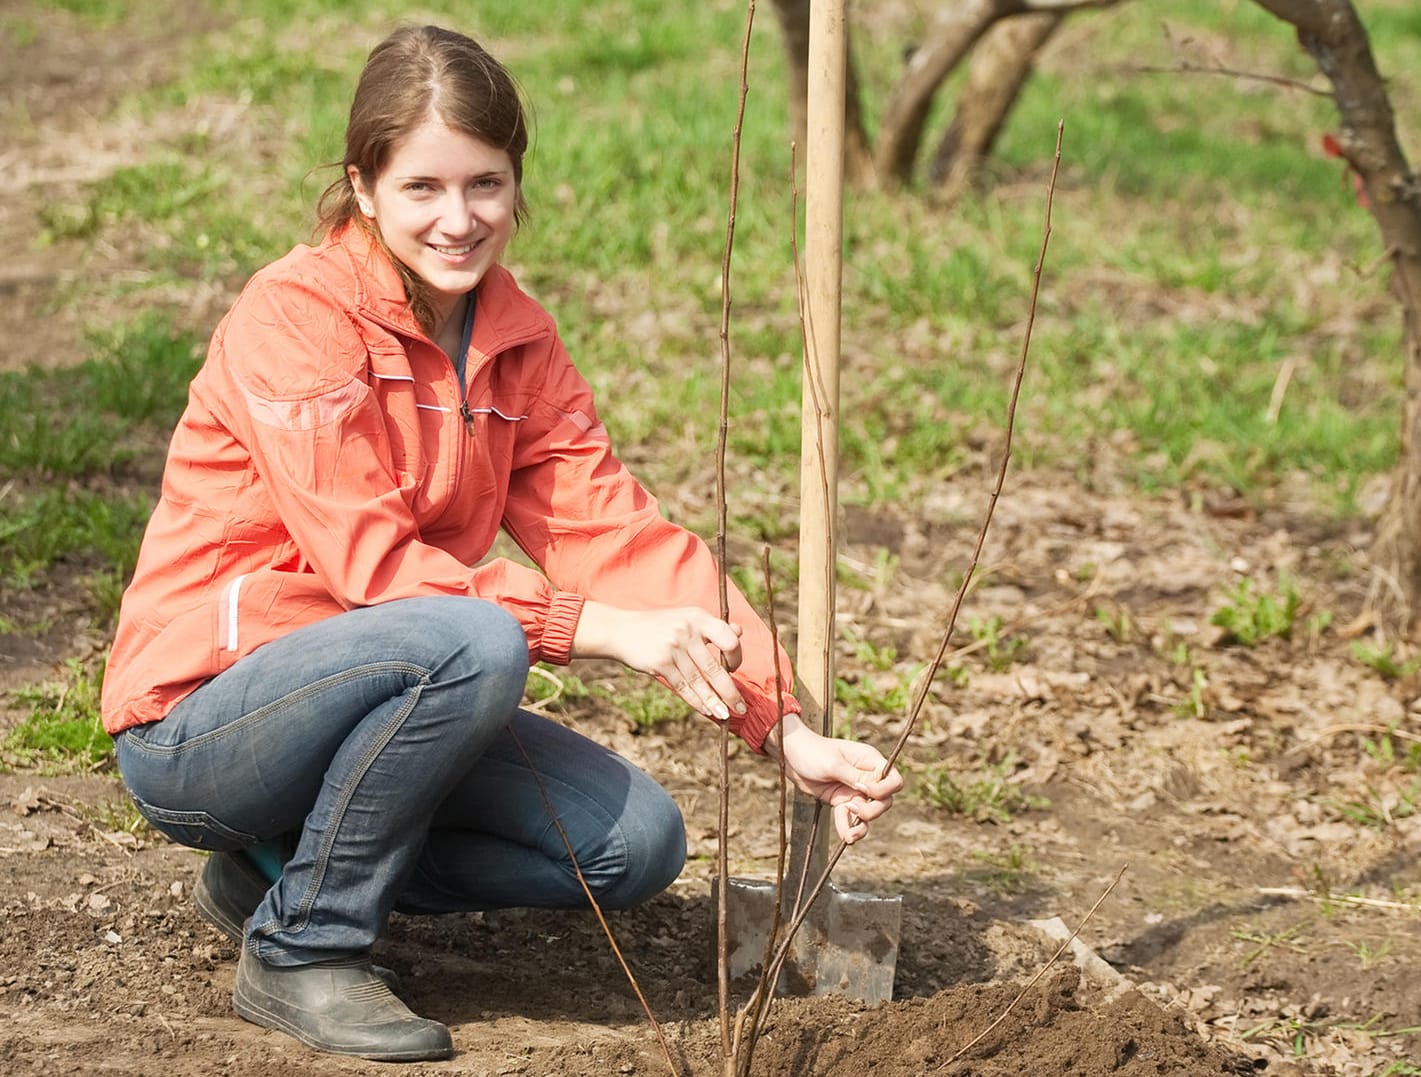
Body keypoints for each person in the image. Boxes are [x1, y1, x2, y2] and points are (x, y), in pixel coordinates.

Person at [100, 24, 902, 1064]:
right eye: (423, 187)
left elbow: (616, 533)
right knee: (473, 642)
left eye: (486, 183)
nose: (459, 218)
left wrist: (781, 724)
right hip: (205, 720)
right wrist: (597, 630)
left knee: (631, 846)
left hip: (381, 694)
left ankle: (270, 876)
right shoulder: (295, 317)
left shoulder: (514, 338)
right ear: (364, 183)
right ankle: (303, 950)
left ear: (517, 183)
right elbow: (376, 573)